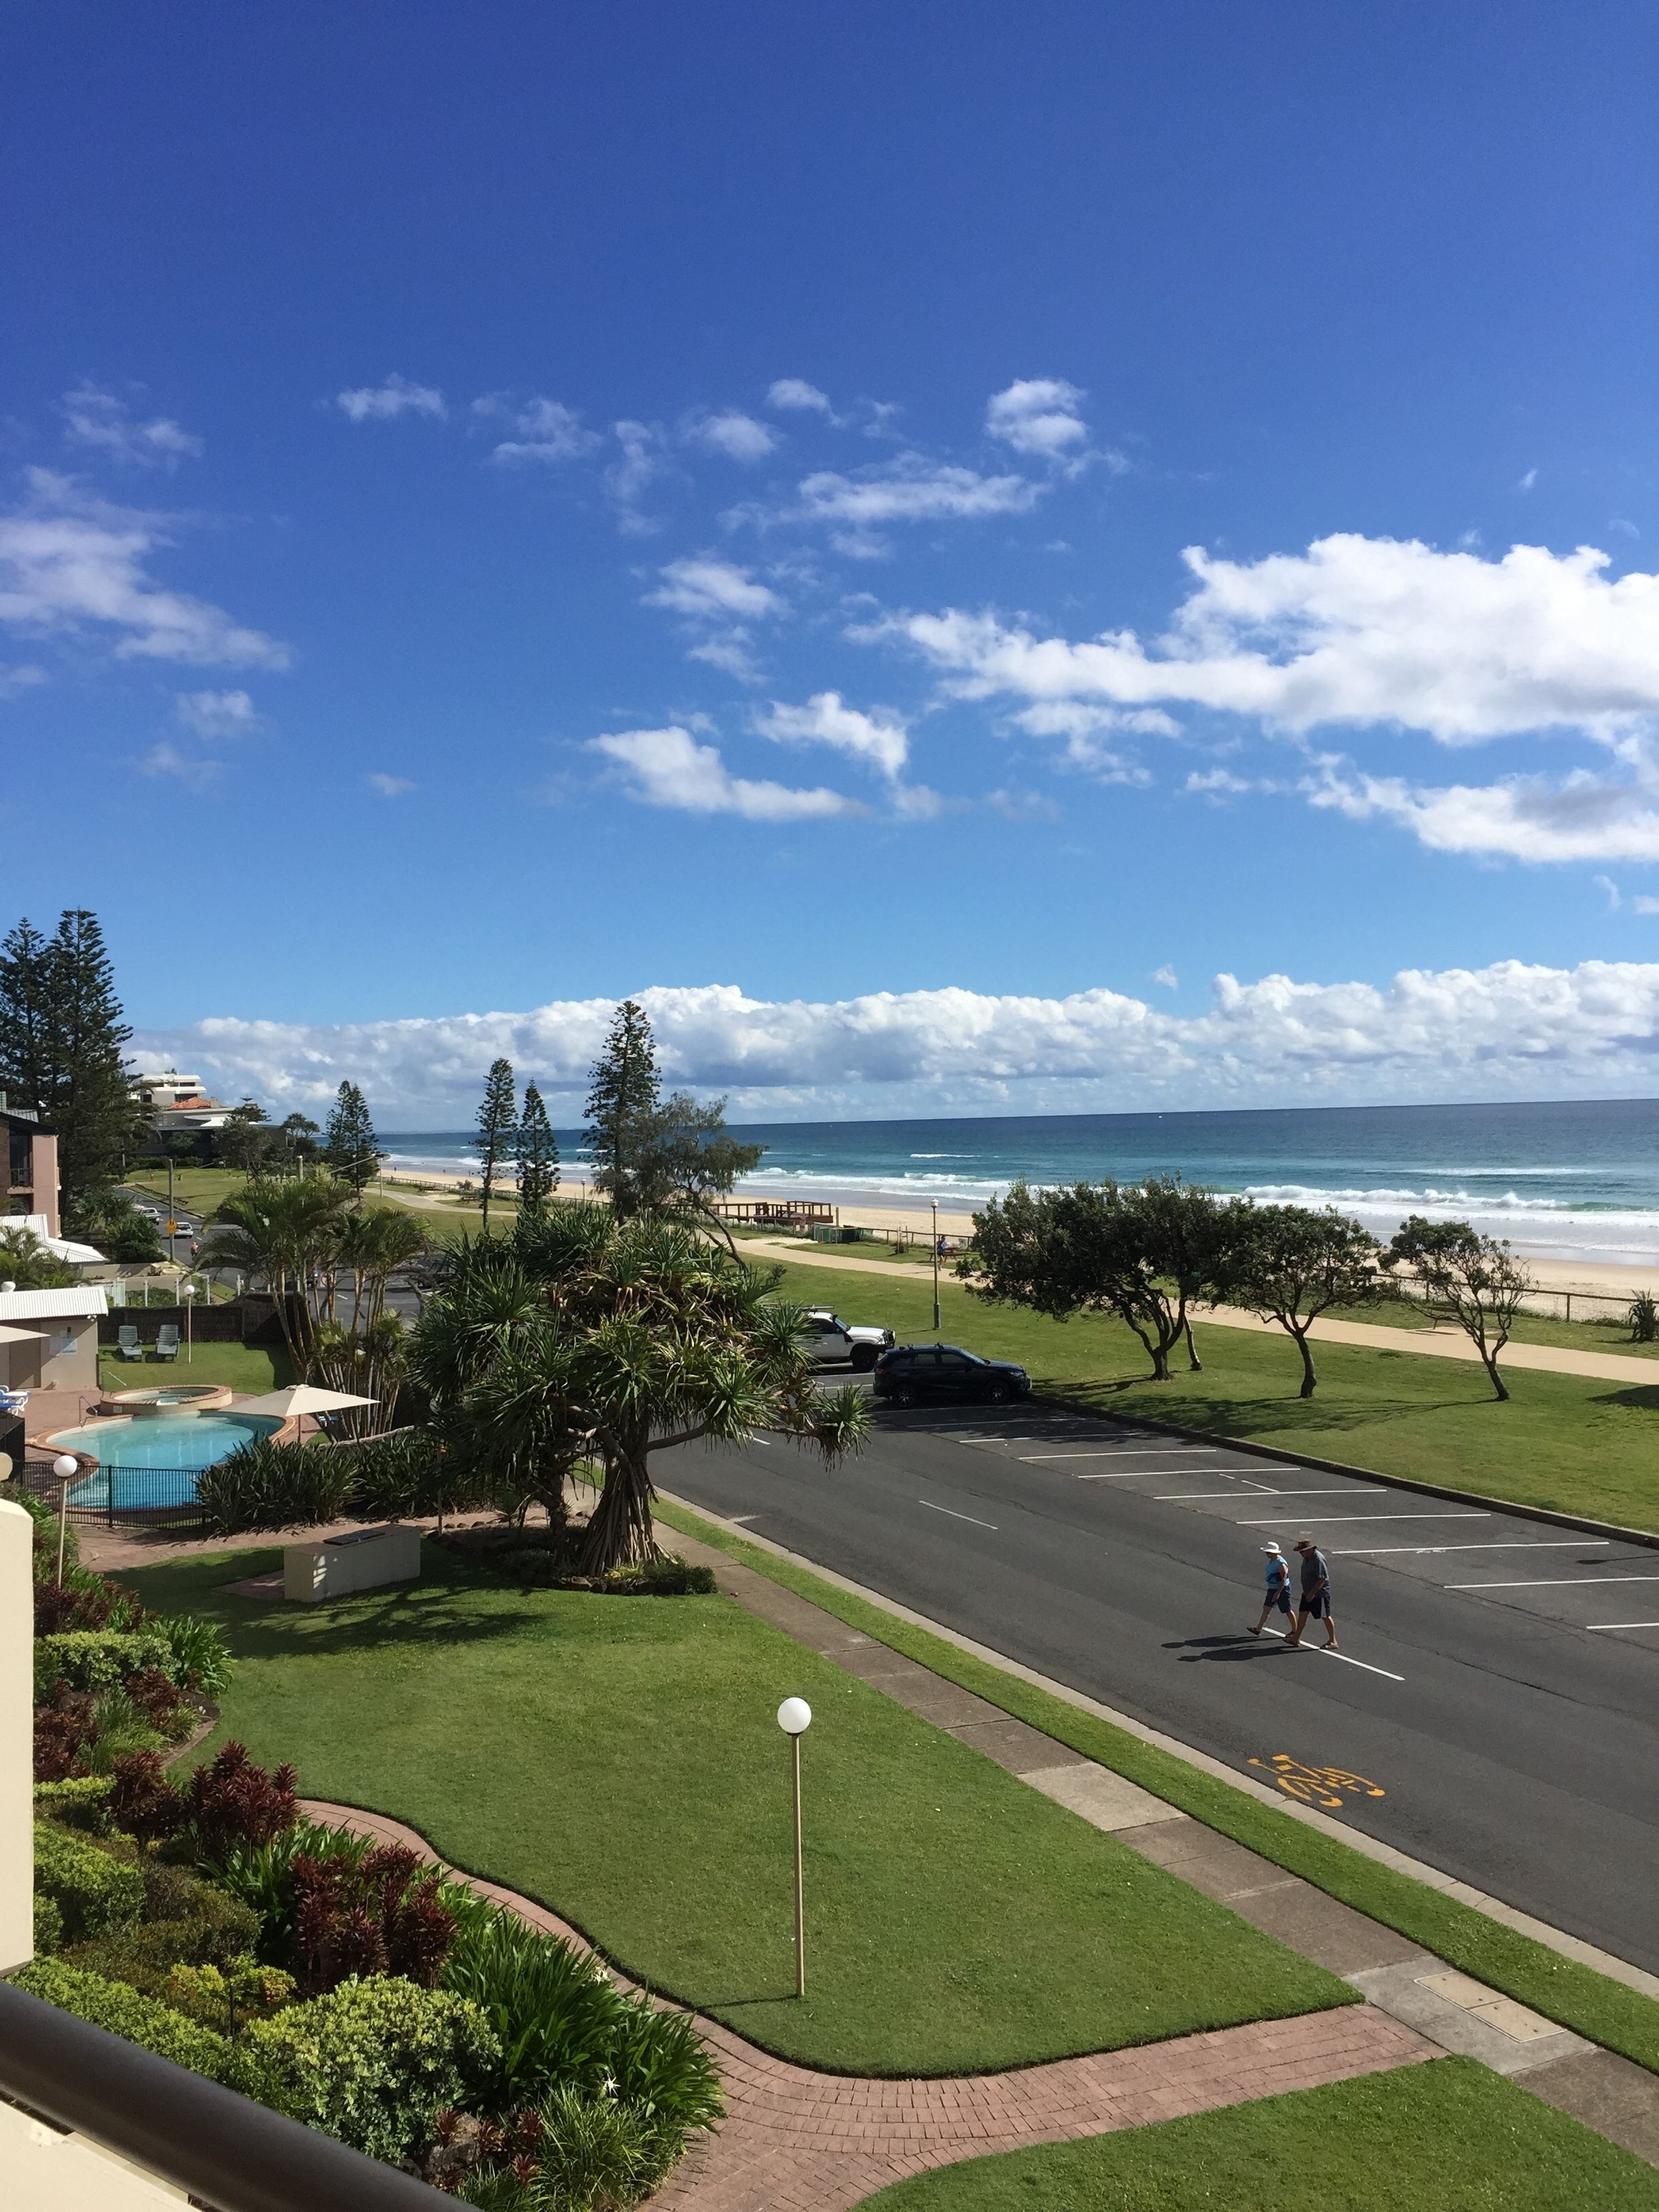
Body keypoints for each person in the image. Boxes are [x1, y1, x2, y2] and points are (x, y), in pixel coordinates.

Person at [1288, 1534, 1337, 1650]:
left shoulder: (1318, 1560)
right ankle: (1296, 1638)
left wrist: (1313, 1593)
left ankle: (1333, 1641)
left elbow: (1322, 1578)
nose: (1301, 1554)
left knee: (1325, 1616)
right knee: (1303, 1613)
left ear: (1310, 1549)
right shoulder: (1307, 1558)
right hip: (1307, 1592)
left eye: (1302, 1551)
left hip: (1319, 1594)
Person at [1250, 1541, 1294, 1636]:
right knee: (1267, 1608)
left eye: (1269, 1552)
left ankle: (1295, 1630)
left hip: (1282, 1590)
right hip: (1272, 1588)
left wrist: (1277, 1593)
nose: (1267, 1554)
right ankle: (1258, 1629)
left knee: (1287, 1610)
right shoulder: (1273, 1561)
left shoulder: (1281, 1564)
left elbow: (1283, 1580)